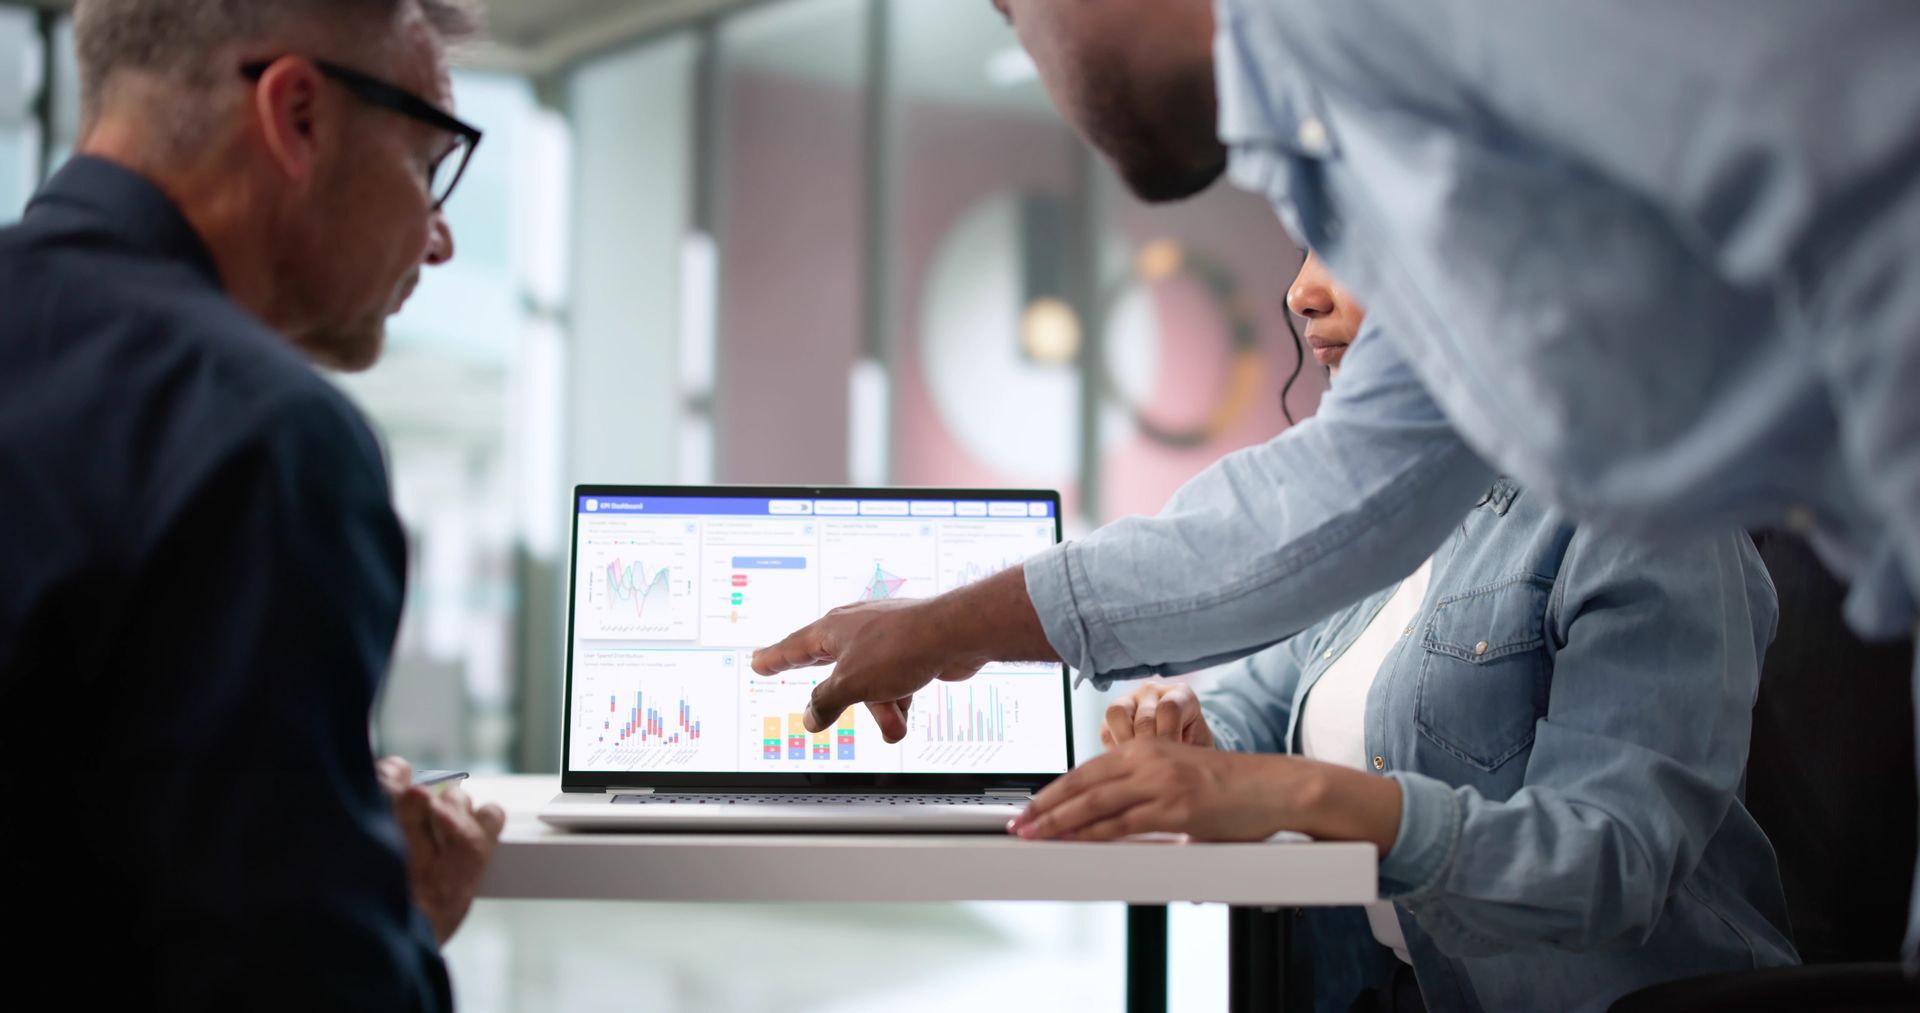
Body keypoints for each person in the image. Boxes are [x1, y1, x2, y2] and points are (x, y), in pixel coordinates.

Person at [750, 0, 1920, 952]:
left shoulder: (1401, 48)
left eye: (1013, 16)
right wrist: (964, 632)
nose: (1310, 287)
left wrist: (1289, 796)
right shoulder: (1430, 201)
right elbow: (1320, 505)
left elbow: (1863, 153)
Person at [1069, 254, 1795, 1011]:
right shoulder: (1385, 523)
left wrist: (1307, 796)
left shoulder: (1646, 519)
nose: (1299, 295)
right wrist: (1193, 739)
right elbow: (1263, 707)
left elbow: (1607, 863)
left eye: (1343, 249)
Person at [0, 1, 501, 1006]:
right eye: (426, 162)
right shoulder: (258, 438)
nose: (439, 238)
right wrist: (396, 913)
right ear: (298, 117)